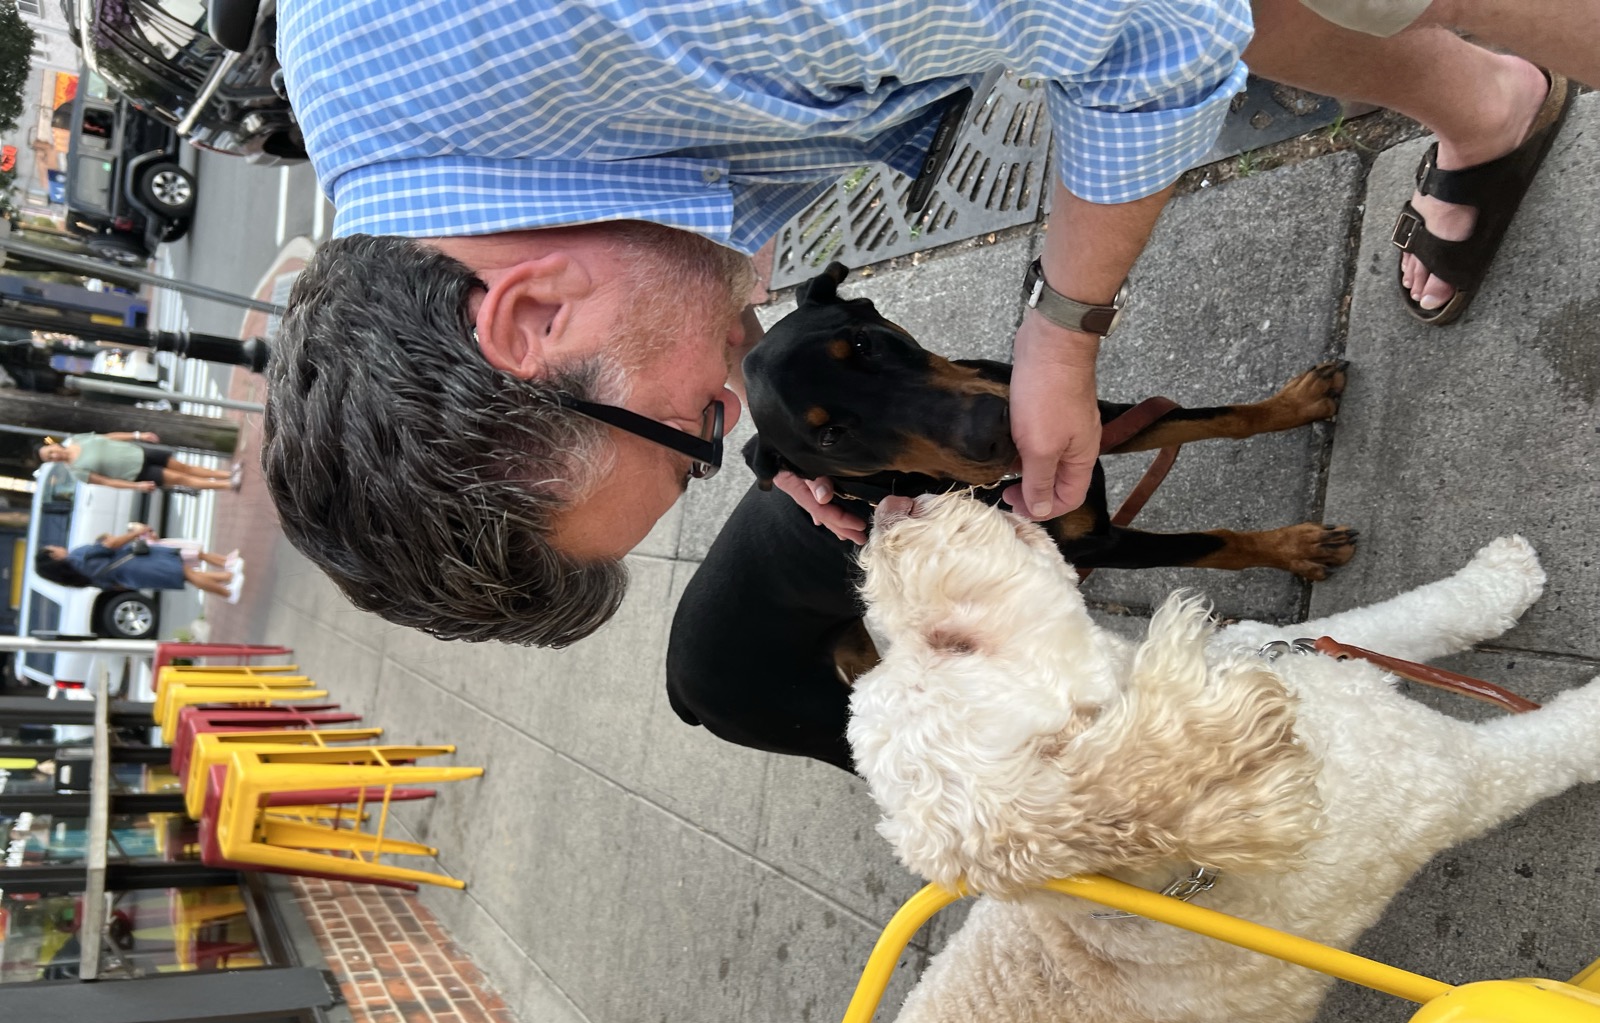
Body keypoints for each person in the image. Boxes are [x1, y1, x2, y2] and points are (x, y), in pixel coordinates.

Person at [264, 0, 1594, 652]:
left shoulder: (621, 28)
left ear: (533, 315)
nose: (733, 392)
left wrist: (1064, 331)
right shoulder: (416, 147)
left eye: (695, 427)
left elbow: (1148, 22)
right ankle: (1485, 100)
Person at [35, 530, 244, 603]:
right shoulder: (77, 556)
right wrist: (135, 533)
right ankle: (227, 593)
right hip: (138, 564)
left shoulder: (77, 577)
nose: (58, 546)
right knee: (186, 572)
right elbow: (110, 545)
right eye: (53, 548)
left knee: (186, 574)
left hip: (133, 576)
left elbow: (111, 586)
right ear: (53, 556)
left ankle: (227, 578)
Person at [37, 432, 240, 494]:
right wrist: (136, 486)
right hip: (136, 473)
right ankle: (228, 485)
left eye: (51, 451)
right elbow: (108, 482)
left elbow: (108, 437)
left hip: (138, 452)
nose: (54, 455)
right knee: (181, 478)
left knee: (185, 467)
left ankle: (228, 474)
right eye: (50, 458)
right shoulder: (76, 471)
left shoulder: (77, 440)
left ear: (54, 446)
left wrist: (137, 434)